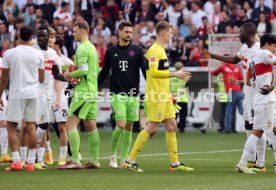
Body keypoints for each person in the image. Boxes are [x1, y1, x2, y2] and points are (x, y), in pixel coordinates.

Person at [201, 22, 270, 173]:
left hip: (259, 94)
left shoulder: (259, 49)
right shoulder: (245, 48)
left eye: (240, 32)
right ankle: (254, 161)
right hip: (248, 93)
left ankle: (259, 162)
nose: (239, 35)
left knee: (260, 128)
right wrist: (212, 55)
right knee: (250, 126)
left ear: (247, 32)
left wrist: (270, 86)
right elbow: (234, 60)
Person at [126, 21, 193, 172]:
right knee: (152, 128)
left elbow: (159, 74)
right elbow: (154, 72)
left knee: (172, 125)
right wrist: (176, 74)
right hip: (156, 95)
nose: (171, 35)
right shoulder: (155, 50)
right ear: (163, 33)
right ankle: (130, 160)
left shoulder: (161, 50)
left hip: (164, 95)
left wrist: (168, 92)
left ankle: (175, 163)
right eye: (170, 33)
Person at [98, 21, 146, 169]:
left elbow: (145, 71)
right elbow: (105, 71)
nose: (129, 35)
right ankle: (112, 155)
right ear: (119, 32)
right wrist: (95, 87)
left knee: (129, 126)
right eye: (126, 32)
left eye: (131, 32)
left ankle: (125, 160)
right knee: (121, 124)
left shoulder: (138, 51)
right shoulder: (111, 52)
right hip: (117, 94)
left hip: (133, 95)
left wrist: (152, 87)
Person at [0, 25, 45, 171]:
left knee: (11, 126)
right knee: (31, 126)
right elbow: (42, 78)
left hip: (16, 94)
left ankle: (17, 162)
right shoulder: (38, 55)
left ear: (18, 36)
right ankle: (31, 163)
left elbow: (4, 78)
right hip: (33, 93)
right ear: (32, 38)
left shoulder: (9, 53)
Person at [58, 21, 100, 170]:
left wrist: (69, 74)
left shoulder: (82, 48)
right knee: (90, 125)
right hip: (92, 90)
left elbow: (83, 70)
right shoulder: (93, 48)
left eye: (75, 31)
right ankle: (95, 160)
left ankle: (75, 160)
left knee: (70, 124)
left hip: (83, 91)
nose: (73, 34)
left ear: (83, 30)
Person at [236, 34, 276, 174]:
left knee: (268, 130)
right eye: (275, 46)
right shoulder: (265, 53)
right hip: (266, 100)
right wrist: (270, 84)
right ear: (268, 44)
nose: (275, 49)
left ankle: (245, 163)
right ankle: (242, 163)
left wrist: (268, 82)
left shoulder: (252, 58)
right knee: (258, 132)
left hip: (259, 99)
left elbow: (247, 81)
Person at [32, 26, 64, 169]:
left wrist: (68, 78)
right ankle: (30, 158)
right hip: (34, 91)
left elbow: (56, 74)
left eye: (44, 36)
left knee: (44, 125)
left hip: (47, 92)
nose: (41, 39)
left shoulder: (52, 53)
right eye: (39, 36)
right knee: (34, 124)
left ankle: (37, 159)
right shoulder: (33, 51)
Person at [210, 61, 244, 133]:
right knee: (241, 110)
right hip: (239, 91)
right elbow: (242, 79)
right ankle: (253, 123)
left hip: (232, 91)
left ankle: (228, 128)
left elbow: (214, 73)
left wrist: (209, 69)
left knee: (229, 110)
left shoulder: (223, 66)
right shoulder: (236, 67)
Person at [170, 62, 189, 133]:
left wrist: (173, 94)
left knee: (174, 115)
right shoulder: (185, 77)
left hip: (174, 99)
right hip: (183, 99)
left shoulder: (171, 77)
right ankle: (182, 128)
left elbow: (168, 89)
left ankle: (172, 128)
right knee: (183, 114)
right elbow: (186, 89)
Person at [0, 57, 12, 163]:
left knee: (3, 123)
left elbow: (3, 78)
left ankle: (4, 154)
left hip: (1, 94)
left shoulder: (1, 60)